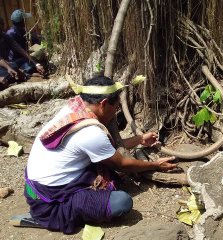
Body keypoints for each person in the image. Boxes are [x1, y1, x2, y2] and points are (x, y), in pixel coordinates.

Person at [24, 76, 177, 234]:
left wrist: (139, 139)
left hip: (33, 188)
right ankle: (55, 216)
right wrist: (155, 164)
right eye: (115, 107)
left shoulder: (74, 108)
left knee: (105, 170)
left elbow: (104, 148)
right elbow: (122, 164)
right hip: (48, 202)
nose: (115, 112)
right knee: (121, 202)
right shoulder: (91, 133)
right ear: (103, 104)